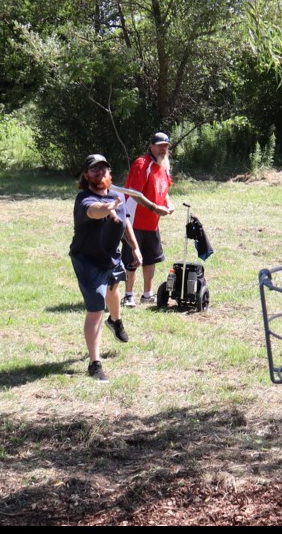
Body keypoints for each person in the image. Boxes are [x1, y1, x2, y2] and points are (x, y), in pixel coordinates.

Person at [69, 154, 142, 382]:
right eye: (94, 169)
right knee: (95, 310)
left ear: (110, 174)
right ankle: (95, 363)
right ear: (86, 175)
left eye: (104, 169)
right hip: (88, 261)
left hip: (111, 256)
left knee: (114, 289)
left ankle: (115, 321)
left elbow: (126, 220)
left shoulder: (116, 196)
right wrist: (107, 207)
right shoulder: (85, 199)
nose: (100, 172)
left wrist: (135, 247)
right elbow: (94, 211)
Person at [121, 132, 176, 306]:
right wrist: (154, 207)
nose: (163, 149)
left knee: (151, 259)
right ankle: (128, 295)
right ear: (150, 146)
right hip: (134, 220)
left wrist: (169, 203)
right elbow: (134, 193)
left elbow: (164, 191)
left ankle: (147, 294)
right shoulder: (141, 164)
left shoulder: (163, 166)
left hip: (152, 223)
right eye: (160, 145)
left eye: (166, 146)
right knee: (132, 259)